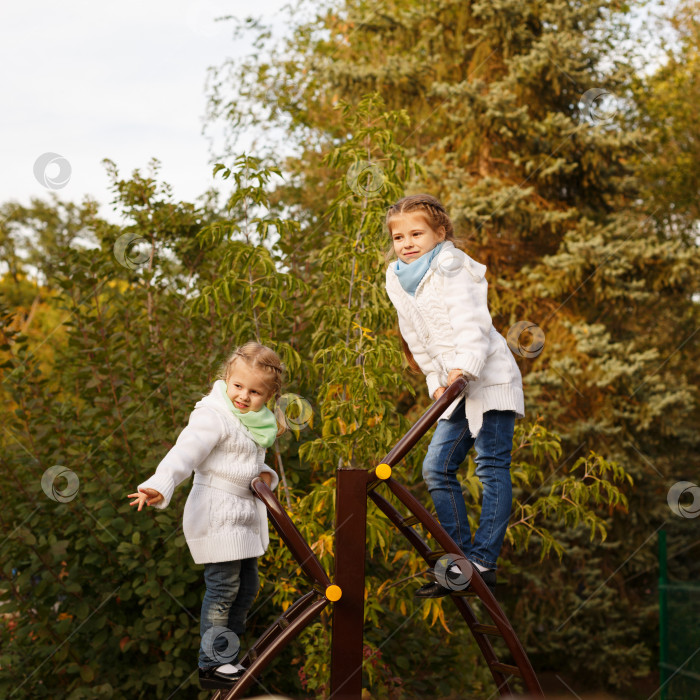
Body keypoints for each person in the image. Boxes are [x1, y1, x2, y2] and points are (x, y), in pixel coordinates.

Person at [384, 194, 524, 597]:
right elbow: (415, 336)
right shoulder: (396, 276)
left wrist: (465, 368)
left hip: (489, 377)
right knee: (436, 468)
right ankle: (460, 561)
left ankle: (484, 559)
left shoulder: (452, 265)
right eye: (399, 237)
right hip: (454, 388)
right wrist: (437, 380)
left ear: (439, 233)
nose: (407, 243)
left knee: (490, 466)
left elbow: (472, 322)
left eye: (417, 233)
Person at [127, 342, 284, 690]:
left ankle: (227, 654)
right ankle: (212, 662)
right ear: (226, 379)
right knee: (224, 587)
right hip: (217, 512)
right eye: (238, 386)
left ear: (269, 396)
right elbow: (186, 451)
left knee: (248, 588)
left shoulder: (256, 423)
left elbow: (246, 464)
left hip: (241, 516)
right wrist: (160, 484)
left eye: (255, 391)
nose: (244, 396)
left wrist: (265, 478)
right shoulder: (213, 415)